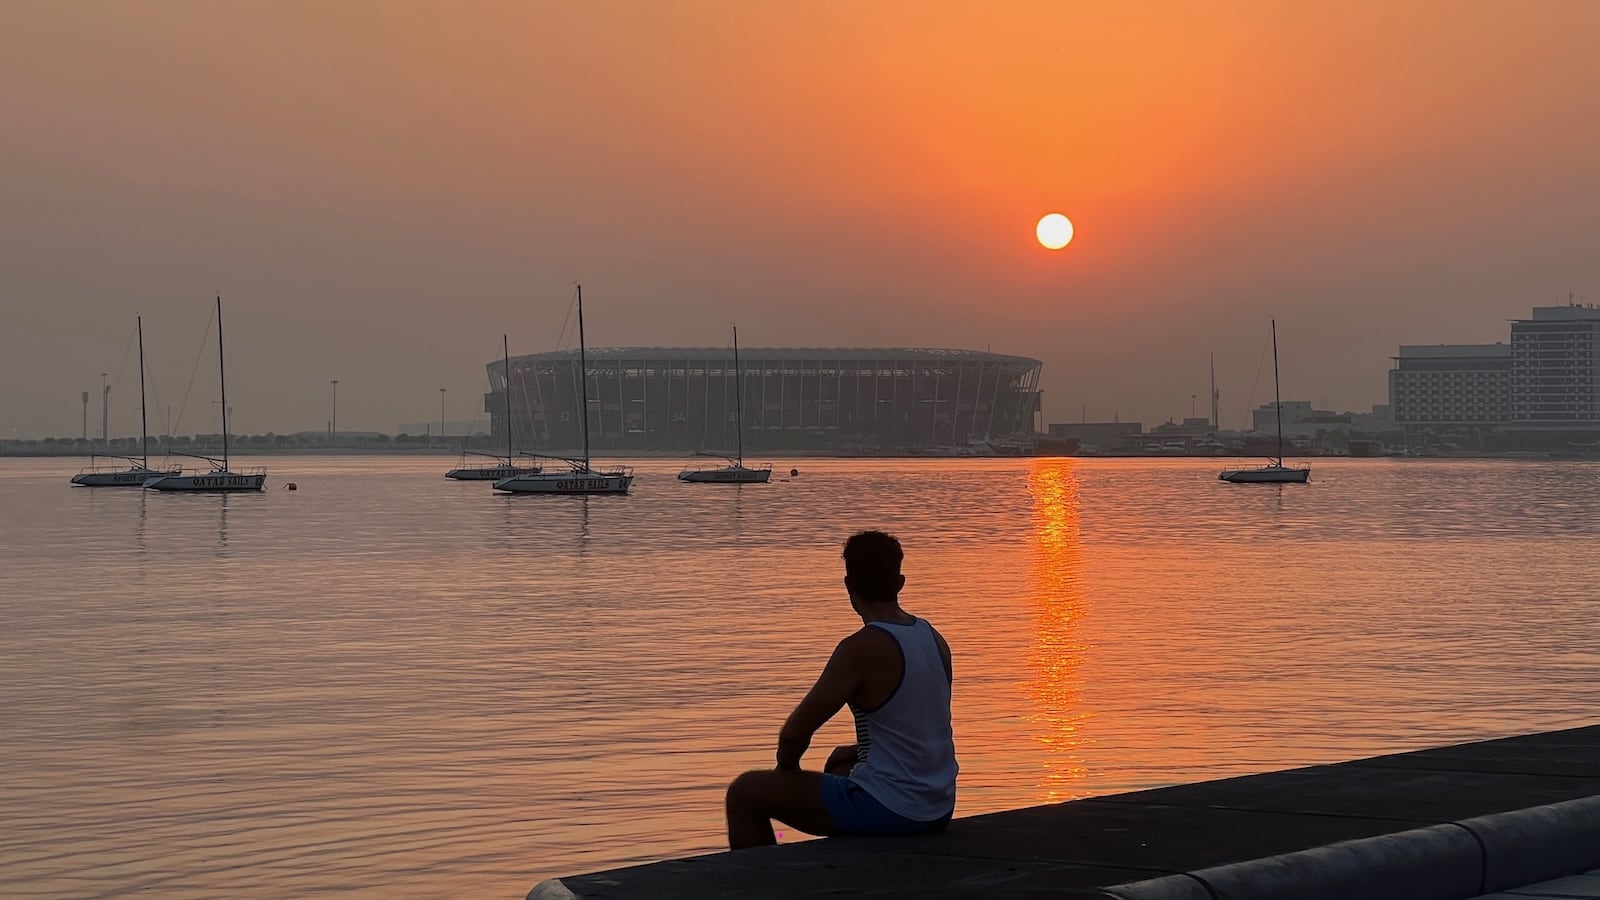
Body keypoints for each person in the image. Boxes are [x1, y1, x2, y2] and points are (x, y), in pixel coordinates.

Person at [724, 530, 957, 849]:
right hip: (938, 806)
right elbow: (920, 726)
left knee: (745, 793)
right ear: (900, 582)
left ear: (849, 586)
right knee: (840, 765)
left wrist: (786, 772)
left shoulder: (860, 649)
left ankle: (762, 884)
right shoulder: (933, 637)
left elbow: (795, 733)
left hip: (895, 809)